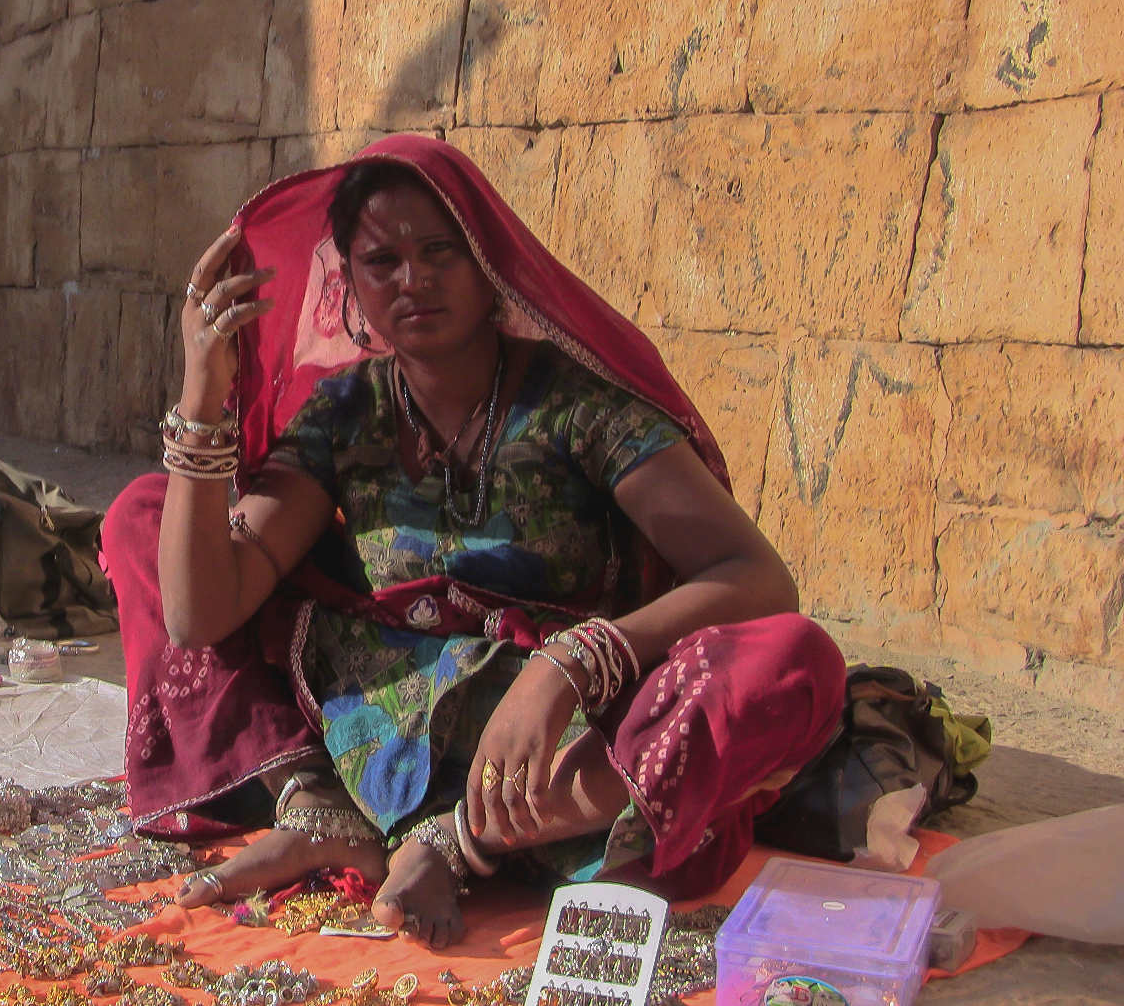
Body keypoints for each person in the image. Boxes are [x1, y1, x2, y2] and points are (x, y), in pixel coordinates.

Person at [101, 134, 847, 948]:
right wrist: (202, 397)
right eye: (382, 261)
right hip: (370, 714)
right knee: (150, 515)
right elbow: (199, 613)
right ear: (347, 282)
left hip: (554, 748)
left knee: (796, 660)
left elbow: (756, 577)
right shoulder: (347, 413)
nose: (413, 280)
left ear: (489, 261)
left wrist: (568, 665)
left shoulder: (575, 404)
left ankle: (455, 839)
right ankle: (315, 803)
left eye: (439, 251)